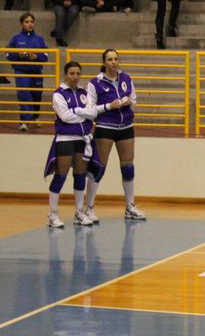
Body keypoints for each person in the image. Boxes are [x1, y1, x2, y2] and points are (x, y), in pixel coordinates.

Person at [43, 61, 117, 228]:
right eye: (72, 73)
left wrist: (77, 111)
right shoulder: (59, 94)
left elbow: (92, 113)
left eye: (78, 74)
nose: (75, 77)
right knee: (61, 175)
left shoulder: (84, 92)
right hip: (65, 139)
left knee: (80, 174)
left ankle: (79, 212)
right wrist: (83, 114)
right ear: (66, 74)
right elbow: (65, 117)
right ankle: (52, 214)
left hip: (83, 139)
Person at [83, 49, 146, 222]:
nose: (113, 62)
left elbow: (134, 100)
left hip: (126, 126)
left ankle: (130, 207)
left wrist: (129, 102)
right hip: (105, 126)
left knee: (128, 167)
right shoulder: (95, 83)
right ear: (104, 62)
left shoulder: (126, 78)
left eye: (116, 59)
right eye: (110, 59)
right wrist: (109, 106)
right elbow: (90, 109)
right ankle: (88, 208)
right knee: (99, 167)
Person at [6, 13, 48, 131]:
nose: (30, 24)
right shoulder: (16, 38)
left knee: (37, 95)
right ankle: (24, 121)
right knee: (24, 94)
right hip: (21, 71)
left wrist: (36, 56)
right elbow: (8, 54)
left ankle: (35, 117)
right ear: (22, 24)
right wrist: (18, 55)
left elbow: (46, 55)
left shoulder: (39, 39)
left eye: (31, 22)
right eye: (27, 22)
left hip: (36, 71)